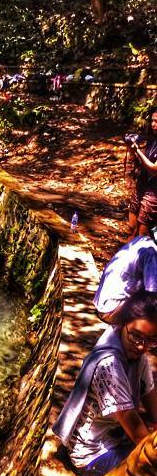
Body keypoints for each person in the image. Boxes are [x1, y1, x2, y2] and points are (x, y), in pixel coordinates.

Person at [54, 291, 157, 476]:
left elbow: (150, 394)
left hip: (117, 439)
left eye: (151, 340)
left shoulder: (136, 352)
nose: (142, 347)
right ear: (123, 324)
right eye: (136, 336)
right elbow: (132, 423)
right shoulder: (109, 365)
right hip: (92, 454)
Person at [93, 235, 157, 323]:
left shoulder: (141, 240)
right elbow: (152, 296)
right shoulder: (151, 252)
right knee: (151, 309)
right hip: (112, 310)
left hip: (103, 304)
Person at [127, 108, 157, 238]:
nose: (153, 124)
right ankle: (125, 255)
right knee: (131, 227)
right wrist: (131, 149)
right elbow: (139, 161)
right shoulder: (152, 139)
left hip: (154, 190)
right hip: (143, 183)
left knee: (141, 233)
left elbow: (154, 168)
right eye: (152, 120)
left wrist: (138, 150)